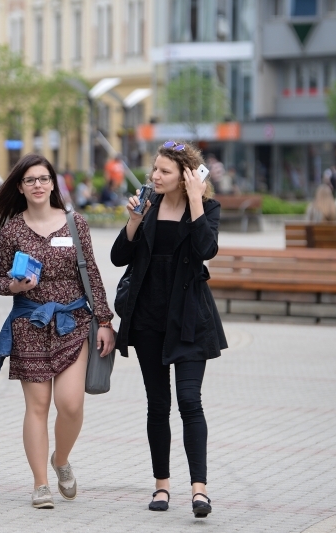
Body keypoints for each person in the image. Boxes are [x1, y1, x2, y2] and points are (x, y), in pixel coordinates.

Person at [0, 153, 115, 509]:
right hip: (30, 323)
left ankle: (61, 459)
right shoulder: (12, 229)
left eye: (44, 178)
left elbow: (91, 274)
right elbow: (0, 279)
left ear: (53, 183)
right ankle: (40, 484)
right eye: (31, 180)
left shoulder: (75, 224)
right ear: (20, 187)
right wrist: (14, 287)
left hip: (73, 322)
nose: (38, 185)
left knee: (70, 404)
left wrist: (104, 321)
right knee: (38, 405)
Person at [111, 140, 227, 519]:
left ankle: (200, 490)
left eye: (164, 171)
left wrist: (195, 200)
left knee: (190, 402)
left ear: (186, 176)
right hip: (147, 320)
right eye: (155, 169)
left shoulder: (207, 208)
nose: (155, 176)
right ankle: (162, 485)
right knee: (158, 405)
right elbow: (118, 257)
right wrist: (133, 219)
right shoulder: (148, 206)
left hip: (190, 318)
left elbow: (206, 249)